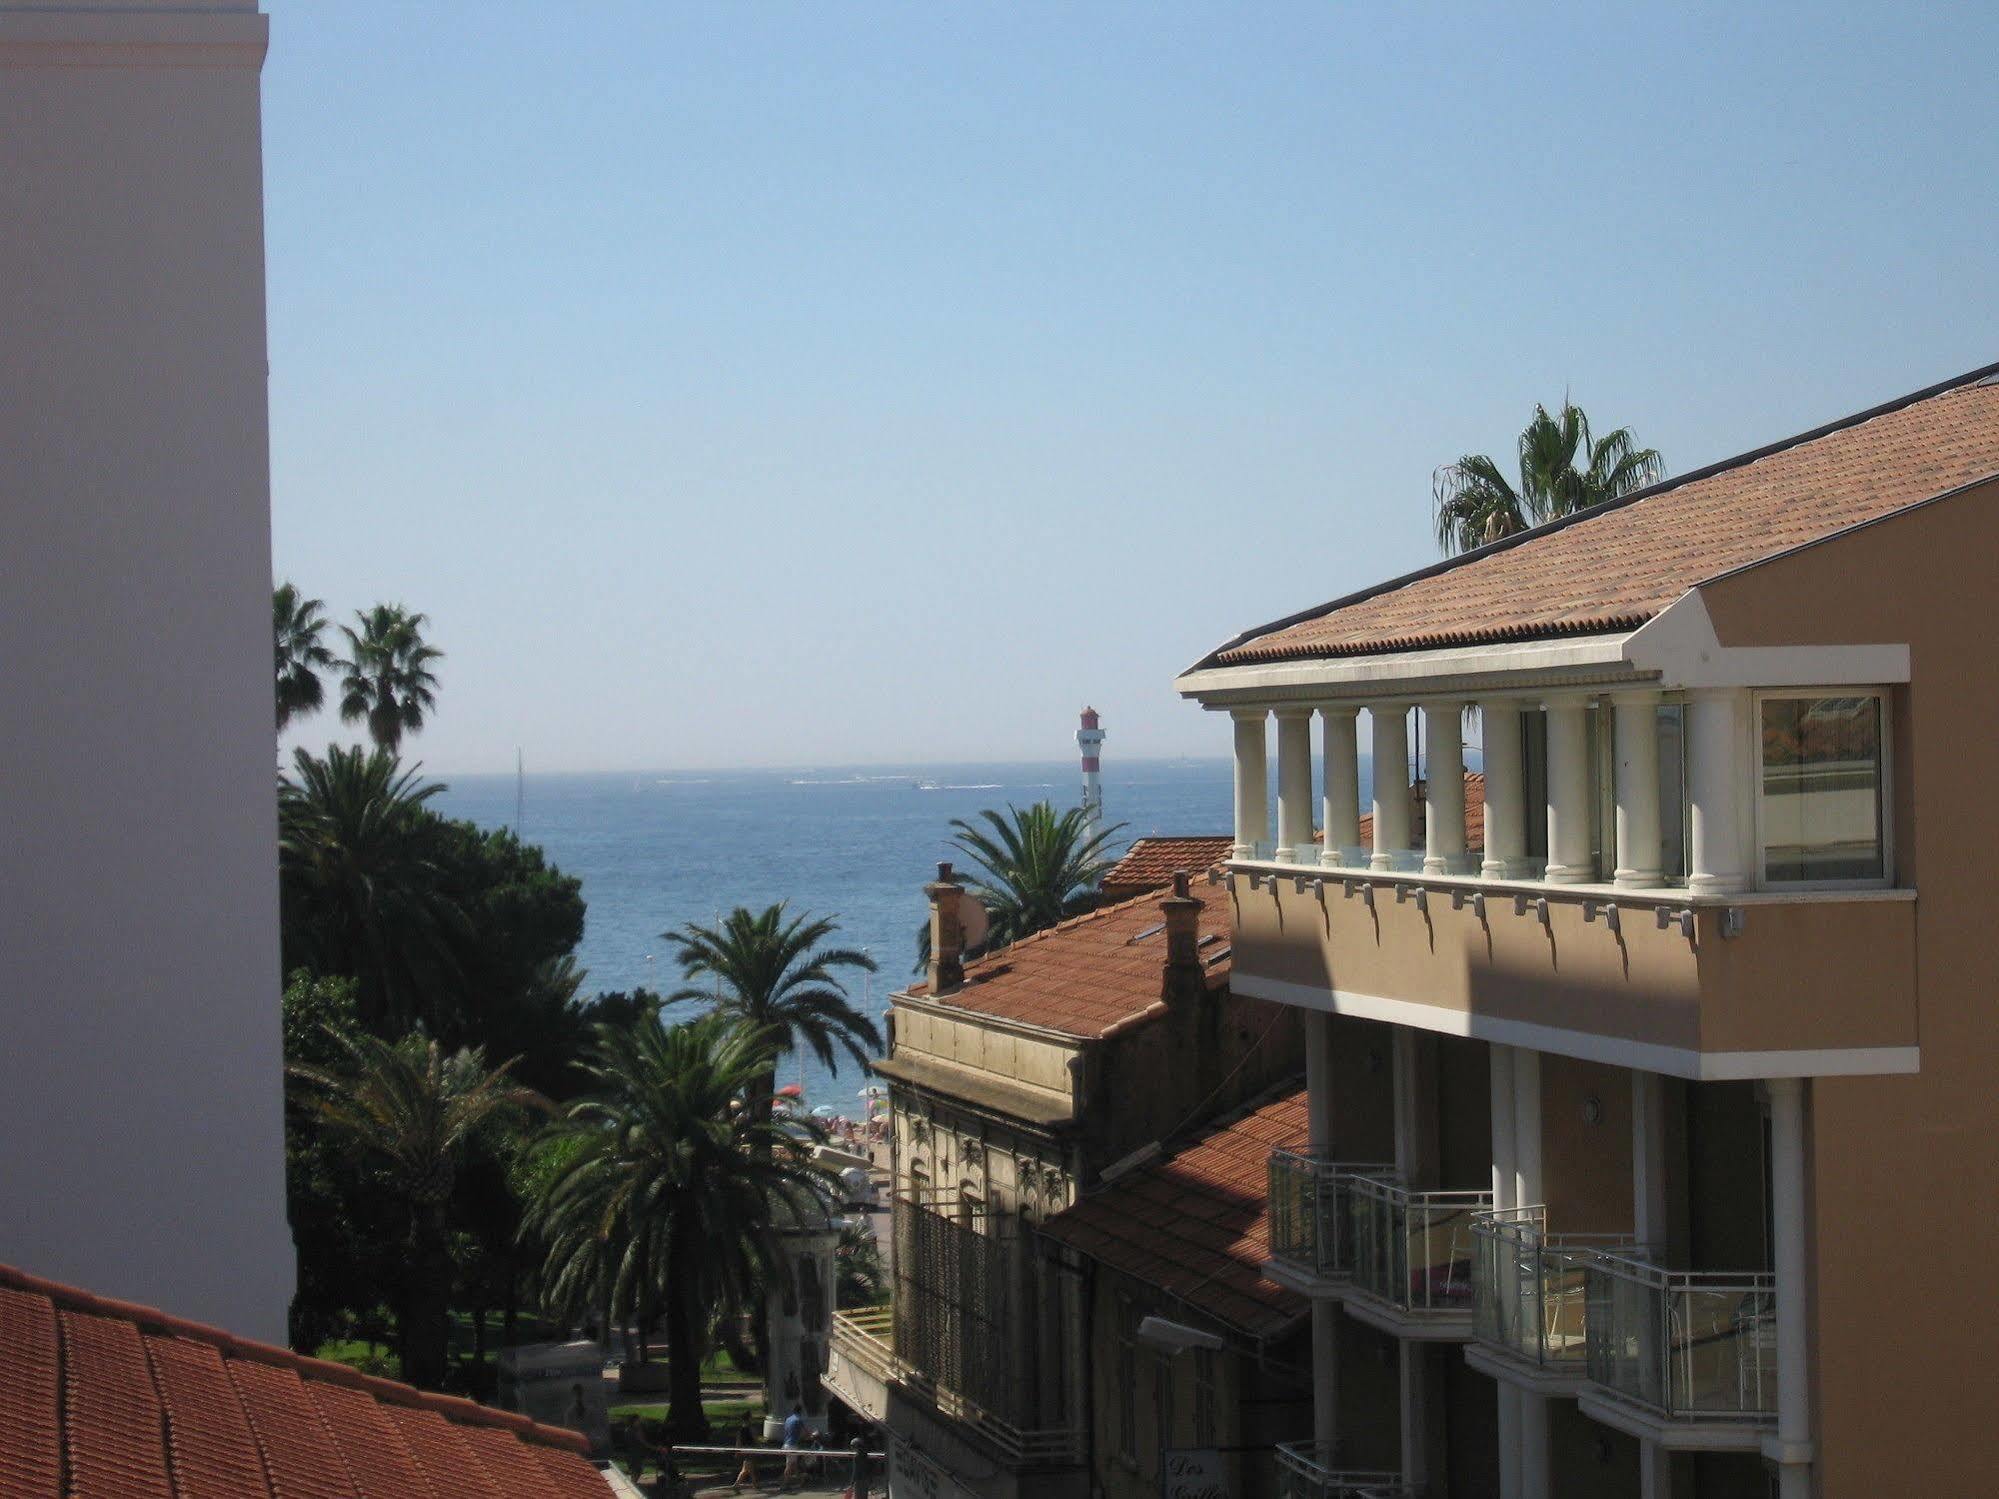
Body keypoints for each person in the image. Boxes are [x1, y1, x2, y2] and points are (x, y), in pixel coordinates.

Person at [731, 1418, 760, 1493]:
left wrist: (737, 1452)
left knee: (747, 1469)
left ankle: (754, 1484)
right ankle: (736, 1485)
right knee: (747, 1469)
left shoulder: (740, 1431)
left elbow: (738, 1442)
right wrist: (759, 1447)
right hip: (750, 1451)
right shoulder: (751, 1429)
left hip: (745, 1451)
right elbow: (755, 1440)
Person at [780, 1405, 805, 1490]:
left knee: (794, 1464)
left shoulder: (788, 1419)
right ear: (800, 1411)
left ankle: (800, 1481)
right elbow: (805, 1431)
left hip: (786, 1444)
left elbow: (786, 1432)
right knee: (790, 1465)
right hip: (792, 1445)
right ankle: (785, 1484)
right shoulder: (798, 1419)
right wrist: (811, 1435)